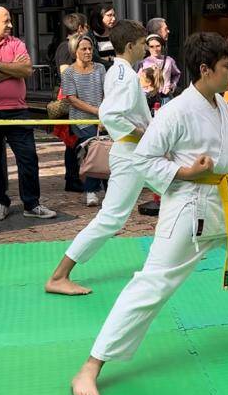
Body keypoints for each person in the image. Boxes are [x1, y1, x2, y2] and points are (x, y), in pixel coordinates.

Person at [70, 32, 228, 395]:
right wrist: (185, 172)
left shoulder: (218, 103)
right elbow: (144, 158)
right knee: (152, 284)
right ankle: (90, 367)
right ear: (204, 69)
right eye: (224, 68)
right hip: (190, 207)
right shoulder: (176, 111)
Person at [46, 20, 151, 296]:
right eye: (142, 44)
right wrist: (138, 132)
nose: (146, 49)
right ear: (130, 46)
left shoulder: (118, 71)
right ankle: (59, 275)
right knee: (111, 219)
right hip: (131, 154)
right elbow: (109, 114)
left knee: (181, 191)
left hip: (138, 153)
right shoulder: (124, 75)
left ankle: (189, 247)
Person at [0, 6, 57, 221]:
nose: (11, 25)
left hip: (18, 109)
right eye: (6, 20)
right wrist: (11, 70)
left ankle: (32, 204)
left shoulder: (16, 43)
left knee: (28, 157)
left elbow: (26, 70)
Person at [62, 35, 107, 207]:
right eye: (84, 49)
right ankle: (91, 190)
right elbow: (72, 99)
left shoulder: (100, 68)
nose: (88, 52)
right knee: (93, 150)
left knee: (106, 151)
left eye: (90, 48)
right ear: (75, 52)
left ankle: (107, 189)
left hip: (102, 117)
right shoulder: (69, 73)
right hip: (81, 120)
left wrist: (104, 112)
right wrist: (97, 111)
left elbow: (106, 91)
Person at [139, 34, 180, 107]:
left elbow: (177, 74)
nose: (155, 49)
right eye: (151, 46)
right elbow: (139, 80)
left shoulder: (169, 61)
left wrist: (172, 85)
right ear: (148, 48)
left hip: (165, 96)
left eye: (158, 46)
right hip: (150, 98)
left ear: (162, 46)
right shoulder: (144, 63)